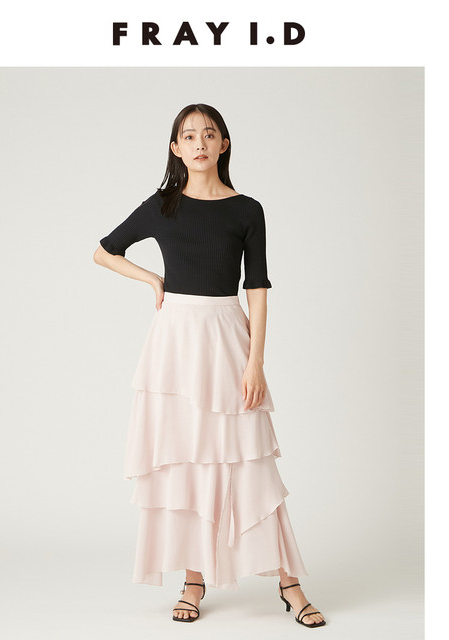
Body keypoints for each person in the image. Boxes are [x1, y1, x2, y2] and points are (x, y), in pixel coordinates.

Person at [93, 103, 326, 628]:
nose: (199, 142)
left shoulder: (247, 210)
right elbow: (104, 251)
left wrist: (255, 362)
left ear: (224, 144)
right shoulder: (163, 205)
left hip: (227, 335)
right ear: (176, 148)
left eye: (209, 133)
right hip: (174, 342)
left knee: (250, 459)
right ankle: (193, 580)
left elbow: (257, 287)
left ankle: (289, 582)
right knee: (187, 457)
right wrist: (152, 279)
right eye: (189, 135)